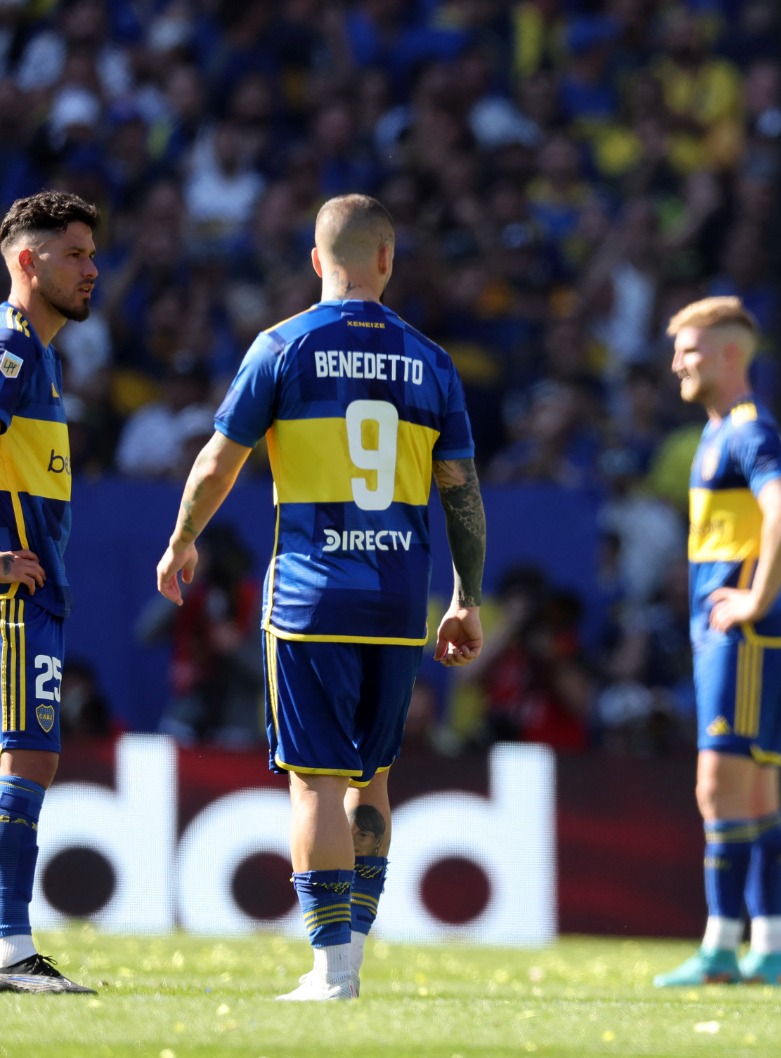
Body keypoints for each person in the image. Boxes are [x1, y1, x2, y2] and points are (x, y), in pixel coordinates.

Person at [155, 194, 487, 1002]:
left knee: (314, 782)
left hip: (311, 595)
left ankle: (330, 968)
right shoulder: (433, 361)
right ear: (388, 259)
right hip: (399, 600)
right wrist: (465, 596)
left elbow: (218, 462)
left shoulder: (282, 346)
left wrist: (182, 539)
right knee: (371, 778)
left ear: (314, 260)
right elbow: (463, 493)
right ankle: (354, 960)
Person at [653, 296, 781, 988]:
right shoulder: (721, 431)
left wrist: (755, 597)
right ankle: (770, 948)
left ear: (730, 354)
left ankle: (721, 946)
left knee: (717, 786)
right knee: (756, 795)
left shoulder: (747, 431)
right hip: (747, 633)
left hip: (742, 633)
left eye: (690, 350)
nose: (678, 363)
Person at [0, 190, 100, 995]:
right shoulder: (10, 347)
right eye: (74, 255)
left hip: (39, 593)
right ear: (27, 261)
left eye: (92, 255)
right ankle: (8, 947)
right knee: (29, 753)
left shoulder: (42, 354)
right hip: (15, 596)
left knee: (27, 755)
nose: (91, 270)